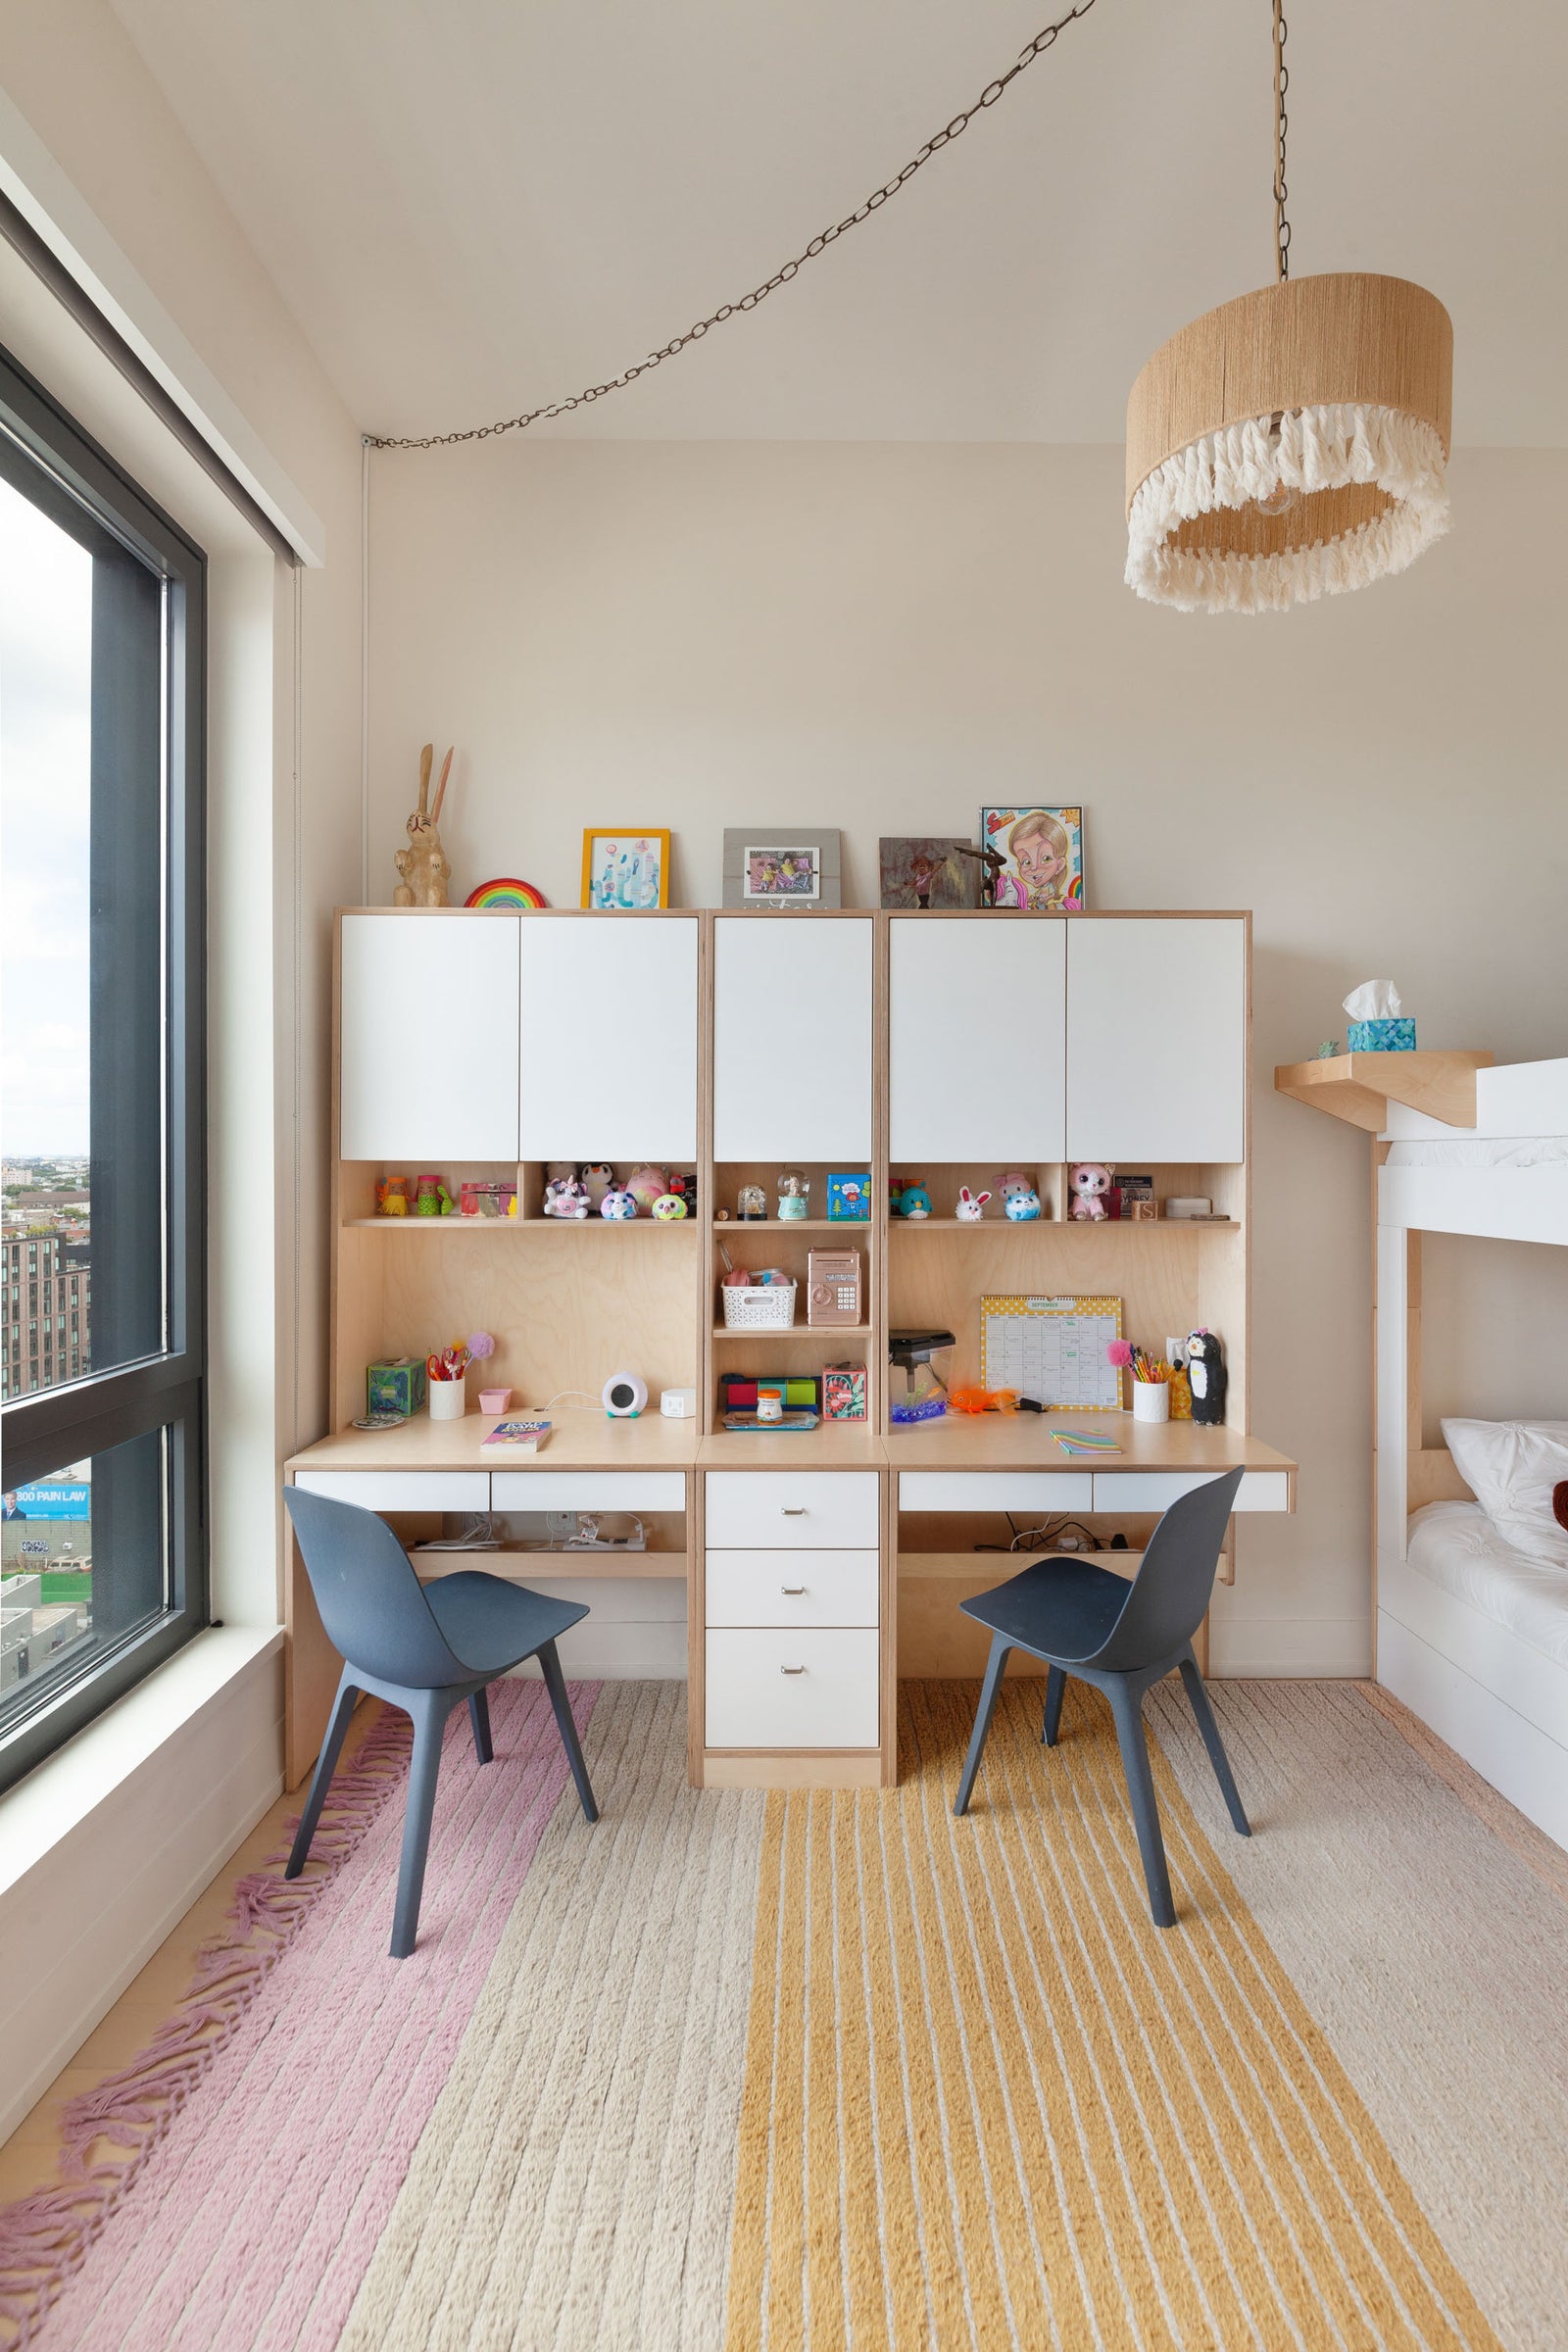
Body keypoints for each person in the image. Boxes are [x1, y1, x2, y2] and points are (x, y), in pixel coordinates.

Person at [992, 810, 1079, 911]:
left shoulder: (1050, 888)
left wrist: (1046, 900)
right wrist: (1034, 899)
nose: (1034, 867)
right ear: (1019, 865)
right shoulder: (1040, 890)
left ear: (1059, 865)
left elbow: (1051, 896)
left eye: (1045, 859)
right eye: (1026, 862)